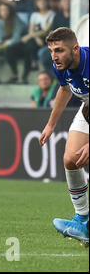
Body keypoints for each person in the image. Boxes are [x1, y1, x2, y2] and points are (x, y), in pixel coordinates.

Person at [39, 27, 88, 246]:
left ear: (75, 49)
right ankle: (82, 219)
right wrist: (50, 125)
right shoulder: (61, 66)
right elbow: (64, 89)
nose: (54, 56)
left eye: (59, 50)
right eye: (51, 51)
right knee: (71, 159)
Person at [0, 2, 27, 84]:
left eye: (6, 10)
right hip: (7, 43)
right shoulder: (0, 21)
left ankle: (15, 75)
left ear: (10, 11)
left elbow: (16, 39)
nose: (4, 12)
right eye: (2, 10)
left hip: (21, 45)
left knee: (9, 50)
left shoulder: (16, 20)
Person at [21, 0, 55, 81]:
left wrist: (29, 36)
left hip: (47, 38)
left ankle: (32, 65)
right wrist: (36, 38)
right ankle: (31, 65)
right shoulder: (34, 15)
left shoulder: (51, 14)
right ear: (36, 3)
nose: (42, 2)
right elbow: (31, 30)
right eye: (39, 1)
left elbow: (45, 31)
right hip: (36, 39)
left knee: (28, 43)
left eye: (43, 0)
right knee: (28, 45)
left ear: (47, 2)